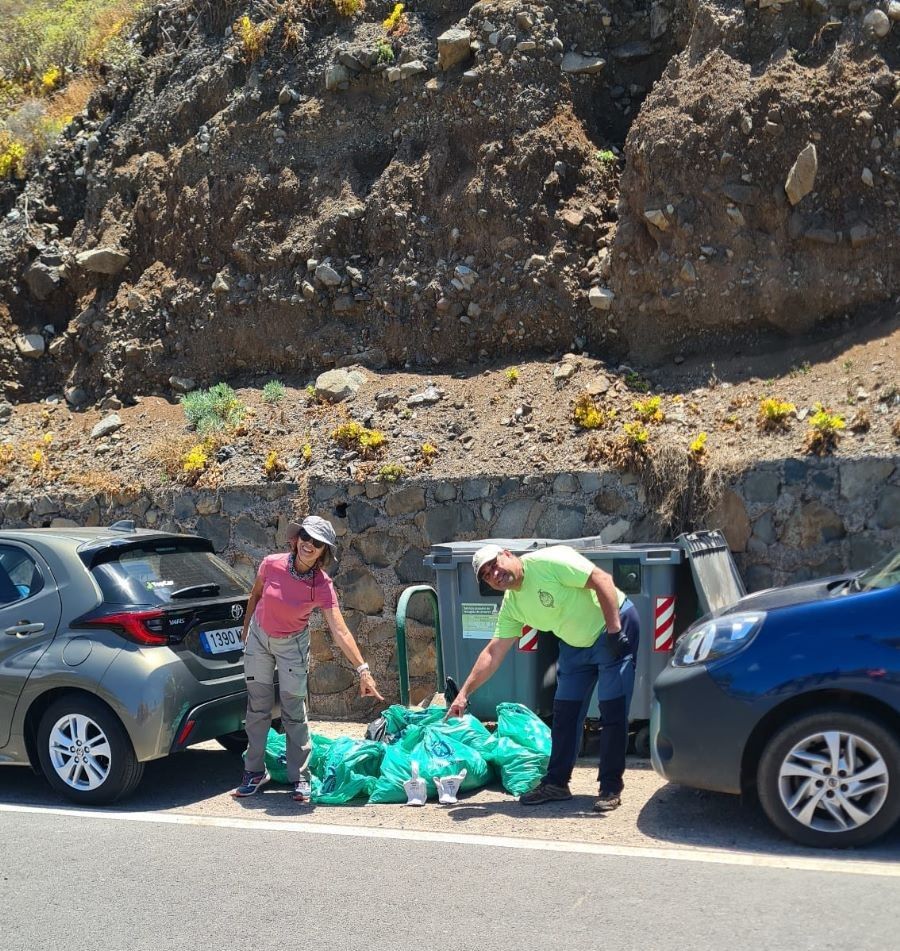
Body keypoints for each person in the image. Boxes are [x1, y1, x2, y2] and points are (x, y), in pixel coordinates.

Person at [446, 544, 640, 811]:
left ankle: (609, 787)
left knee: (612, 709)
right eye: (488, 575)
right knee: (565, 712)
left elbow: (601, 579)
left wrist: (614, 631)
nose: (495, 574)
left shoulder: (550, 561)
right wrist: (464, 693)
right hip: (574, 643)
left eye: (494, 564)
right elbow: (494, 651)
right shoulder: (512, 605)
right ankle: (557, 783)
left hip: (612, 623)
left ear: (507, 554)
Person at [232, 515, 383, 801]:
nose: (309, 545)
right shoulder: (271, 563)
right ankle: (253, 771)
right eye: (306, 538)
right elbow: (255, 595)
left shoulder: (321, 585)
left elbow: (339, 629)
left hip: (292, 646)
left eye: (317, 543)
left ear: (324, 552)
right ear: (296, 539)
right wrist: (246, 630)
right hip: (259, 639)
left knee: (293, 711)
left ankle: (300, 776)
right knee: (258, 709)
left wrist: (363, 670)